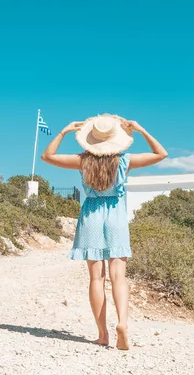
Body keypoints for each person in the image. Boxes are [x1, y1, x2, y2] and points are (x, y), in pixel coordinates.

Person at [40, 114, 167, 350]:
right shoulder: (124, 161)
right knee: (119, 276)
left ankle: (102, 334)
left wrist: (63, 132)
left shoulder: (82, 161)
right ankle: (123, 323)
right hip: (115, 215)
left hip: (91, 216)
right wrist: (140, 129)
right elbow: (161, 154)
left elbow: (47, 156)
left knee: (96, 278)